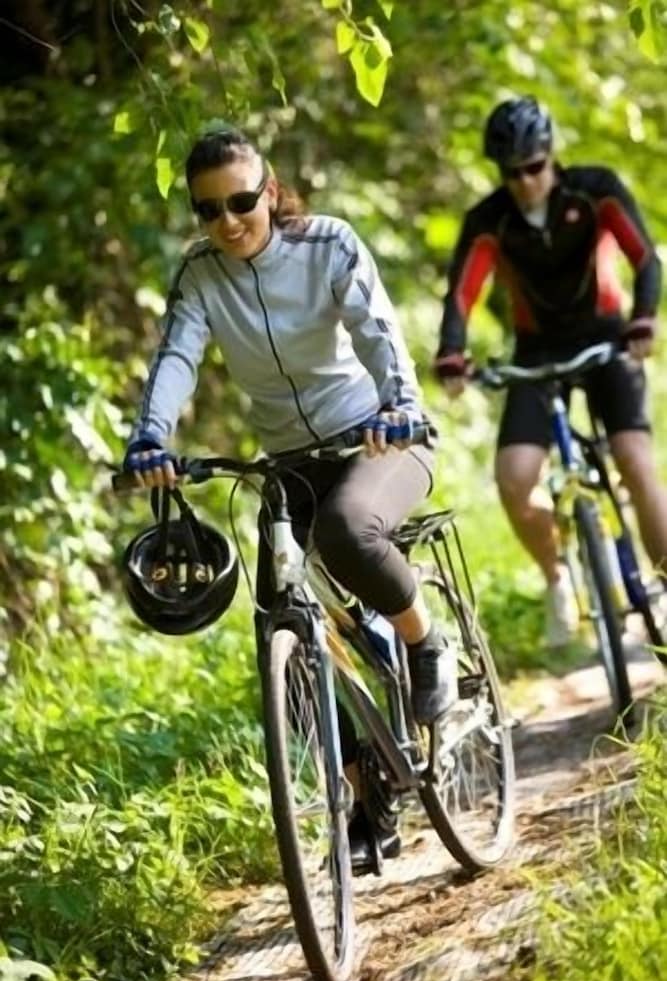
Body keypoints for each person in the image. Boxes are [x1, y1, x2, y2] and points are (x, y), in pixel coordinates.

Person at [123, 125, 457, 871]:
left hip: (379, 439)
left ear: (269, 192)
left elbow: (377, 329)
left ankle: (421, 638)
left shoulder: (327, 245)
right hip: (288, 462)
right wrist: (150, 438)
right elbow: (177, 353)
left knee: (343, 532)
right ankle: (365, 792)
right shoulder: (202, 273)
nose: (229, 220)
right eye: (209, 210)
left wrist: (399, 403)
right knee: (284, 629)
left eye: (242, 201)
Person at [434, 96, 667, 647]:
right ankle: (557, 578)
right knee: (514, 478)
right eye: (512, 173)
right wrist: (451, 353)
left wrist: (642, 321)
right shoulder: (489, 219)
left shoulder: (595, 189)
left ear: (550, 155)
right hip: (536, 350)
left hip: (608, 336)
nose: (525, 182)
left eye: (534, 167)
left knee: (634, 459)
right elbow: (462, 294)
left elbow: (645, 259)